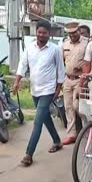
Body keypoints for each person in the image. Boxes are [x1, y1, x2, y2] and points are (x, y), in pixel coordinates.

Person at [13, 20, 65, 166]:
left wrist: (58, 88)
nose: (41, 35)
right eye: (39, 32)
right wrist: (17, 82)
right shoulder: (30, 48)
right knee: (45, 117)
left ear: (49, 34)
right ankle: (57, 141)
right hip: (35, 89)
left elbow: (61, 69)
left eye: (45, 33)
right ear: (36, 32)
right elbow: (22, 65)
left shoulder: (55, 49)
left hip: (48, 90)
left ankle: (29, 154)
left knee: (38, 121)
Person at [62, 21, 89, 145]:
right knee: (68, 107)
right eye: (70, 34)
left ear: (78, 30)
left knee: (78, 106)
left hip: (81, 80)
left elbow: (90, 61)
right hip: (68, 80)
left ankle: (88, 129)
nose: (72, 35)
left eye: (74, 32)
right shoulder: (65, 44)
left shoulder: (87, 43)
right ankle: (72, 134)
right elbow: (63, 60)